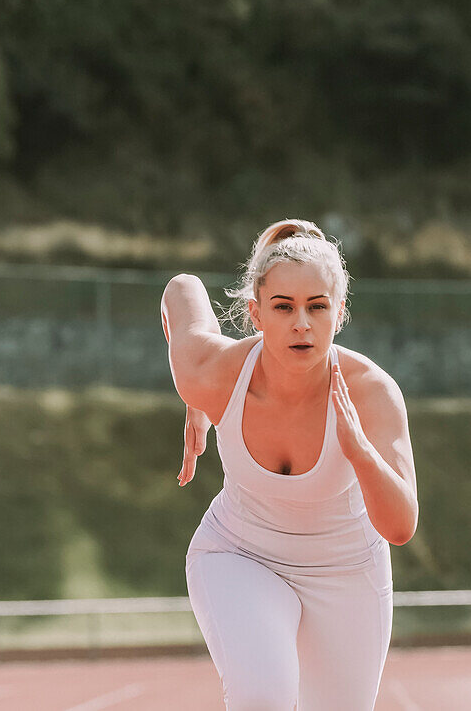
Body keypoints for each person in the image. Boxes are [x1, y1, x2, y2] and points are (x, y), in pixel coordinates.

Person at [160, 219, 418, 710]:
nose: (301, 322)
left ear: (338, 314)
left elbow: (401, 525)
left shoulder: (371, 392)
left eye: (317, 307)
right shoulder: (212, 374)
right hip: (239, 553)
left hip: (347, 573)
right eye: (283, 307)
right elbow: (181, 288)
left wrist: (360, 451)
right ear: (256, 314)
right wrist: (196, 400)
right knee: (264, 698)